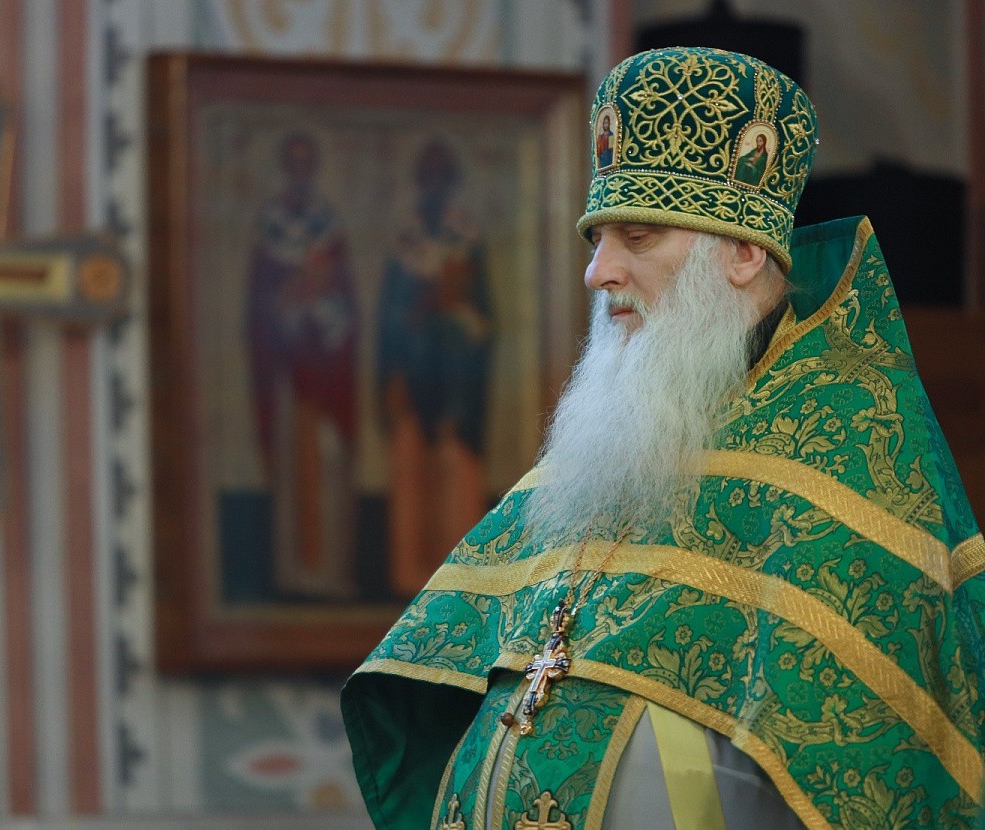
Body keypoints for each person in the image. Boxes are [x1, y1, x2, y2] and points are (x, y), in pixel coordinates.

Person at [343, 47, 985, 829]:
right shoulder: (615, 445)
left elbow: (884, 781)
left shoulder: (856, 456)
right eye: (597, 240)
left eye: (638, 237)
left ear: (744, 252)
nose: (598, 272)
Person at [376, 139, 493, 597]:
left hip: (457, 386)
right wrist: (416, 312)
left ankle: (458, 588)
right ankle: (408, 581)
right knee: (409, 474)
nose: (434, 186)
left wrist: (453, 307)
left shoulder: (467, 241)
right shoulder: (403, 244)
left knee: (456, 473)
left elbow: (485, 320)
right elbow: (388, 320)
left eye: (441, 176)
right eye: (427, 176)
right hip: (411, 381)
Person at [245, 131, 358, 598]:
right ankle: (292, 575)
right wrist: (288, 303)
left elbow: (346, 304)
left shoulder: (328, 227)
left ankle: (331, 575)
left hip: (326, 377)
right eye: (292, 162)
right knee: (292, 469)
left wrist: (324, 309)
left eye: (306, 163)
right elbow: (258, 309)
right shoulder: (269, 228)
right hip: (287, 379)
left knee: (329, 461)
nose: (299, 172)